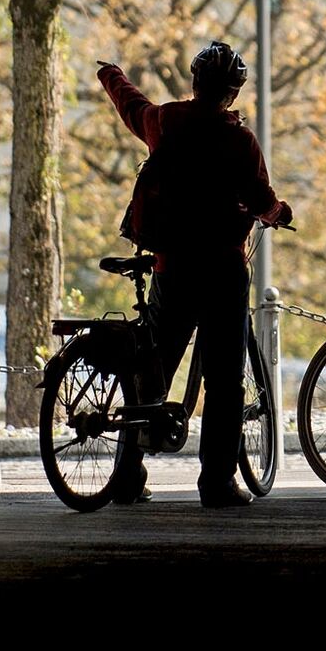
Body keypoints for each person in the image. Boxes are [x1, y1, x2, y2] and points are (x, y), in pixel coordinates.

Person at [98, 42, 292, 508]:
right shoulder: (239, 140)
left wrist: (112, 76)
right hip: (223, 271)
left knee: (154, 369)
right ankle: (217, 484)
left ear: (194, 82)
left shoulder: (166, 121)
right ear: (233, 93)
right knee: (224, 381)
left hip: (172, 267)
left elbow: (133, 107)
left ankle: (127, 475)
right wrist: (279, 213)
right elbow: (261, 199)